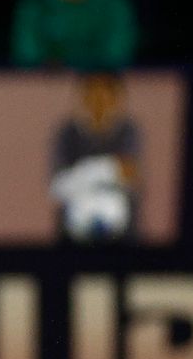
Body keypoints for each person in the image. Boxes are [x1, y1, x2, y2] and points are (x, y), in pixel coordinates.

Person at [49, 71, 141, 244]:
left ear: (115, 98)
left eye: (104, 94)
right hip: (72, 235)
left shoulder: (129, 131)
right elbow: (57, 187)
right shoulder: (67, 133)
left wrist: (77, 175)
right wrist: (109, 169)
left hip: (122, 237)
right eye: (92, 94)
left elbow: (130, 174)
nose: (98, 101)